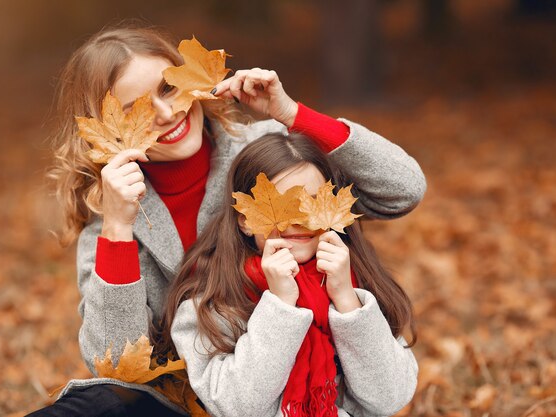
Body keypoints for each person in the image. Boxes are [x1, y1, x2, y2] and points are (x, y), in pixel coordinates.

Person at [29, 20, 426, 416]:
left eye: (169, 88)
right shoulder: (111, 222)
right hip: (185, 402)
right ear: (106, 129)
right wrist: (118, 229)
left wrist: (292, 114)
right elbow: (114, 371)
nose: (167, 113)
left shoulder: (275, 158)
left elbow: (403, 190)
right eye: (137, 109)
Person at [163, 132, 418, 417]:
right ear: (246, 220)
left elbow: (391, 397)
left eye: (311, 202)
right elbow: (237, 407)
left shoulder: (359, 284)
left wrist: (347, 302)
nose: (298, 220)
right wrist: (280, 306)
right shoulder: (211, 306)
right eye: (282, 205)